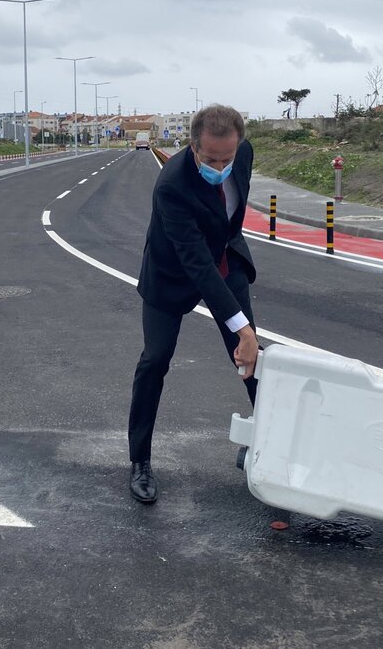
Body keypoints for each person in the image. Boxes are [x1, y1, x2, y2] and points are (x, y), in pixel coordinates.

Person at [128, 104, 259, 504]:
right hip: (173, 273)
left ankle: (279, 446)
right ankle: (140, 462)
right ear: (191, 145)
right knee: (156, 359)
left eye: (227, 158)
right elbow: (196, 264)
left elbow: (225, 225)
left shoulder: (245, 154)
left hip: (225, 258)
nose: (220, 165)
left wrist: (245, 335)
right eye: (210, 158)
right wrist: (243, 326)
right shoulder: (171, 185)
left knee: (252, 359)